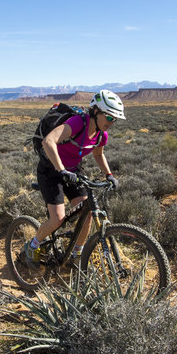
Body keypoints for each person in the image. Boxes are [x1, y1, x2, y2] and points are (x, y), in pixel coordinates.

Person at [24, 90, 125, 269]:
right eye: (109, 117)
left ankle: (77, 254)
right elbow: (48, 141)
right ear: (96, 111)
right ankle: (32, 245)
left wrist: (109, 175)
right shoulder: (77, 123)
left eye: (115, 119)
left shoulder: (102, 134)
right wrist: (61, 170)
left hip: (73, 172)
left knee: (86, 211)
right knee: (58, 218)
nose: (112, 123)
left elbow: (98, 154)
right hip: (51, 170)